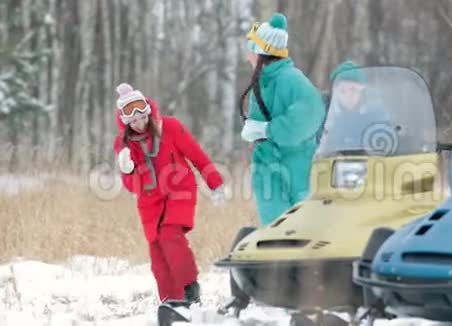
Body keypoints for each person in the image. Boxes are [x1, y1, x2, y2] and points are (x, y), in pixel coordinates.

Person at [112, 83, 225, 305]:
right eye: (132, 120)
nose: (139, 123)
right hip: (150, 203)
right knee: (158, 256)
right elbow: (133, 187)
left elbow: (196, 155)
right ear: (125, 122)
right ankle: (173, 304)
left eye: (141, 117)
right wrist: (127, 171)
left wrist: (215, 183)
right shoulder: (123, 145)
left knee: (170, 235)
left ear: (147, 111)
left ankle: (190, 286)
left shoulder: (170, 127)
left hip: (179, 191)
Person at [240, 13, 325, 225]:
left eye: (250, 49)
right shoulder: (262, 82)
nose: (247, 56)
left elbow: (312, 112)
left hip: (295, 169)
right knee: (275, 233)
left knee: (301, 229)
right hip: (268, 171)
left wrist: (268, 130)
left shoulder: (291, 79)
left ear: (262, 53)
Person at [318, 60, 395, 153]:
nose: (348, 95)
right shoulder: (322, 111)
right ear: (335, 92)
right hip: (327, 162)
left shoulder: (375, 112)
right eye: (342, 90)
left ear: (361, 91)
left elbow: (386, 137)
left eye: (353, 89)